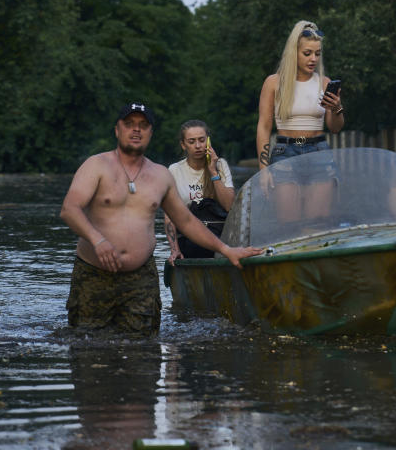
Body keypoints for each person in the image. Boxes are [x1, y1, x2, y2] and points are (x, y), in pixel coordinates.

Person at [60, 102, 262, 336]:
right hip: (94, 274)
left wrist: (226, 250)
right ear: (117, 130)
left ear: (150, 133)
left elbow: (186, 222)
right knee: (88, 349)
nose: (136, 130)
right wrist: (98, 241)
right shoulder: (96, 165)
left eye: (143, 125)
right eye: (129, 124)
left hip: (140, 280)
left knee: (144, 354)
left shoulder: (160, 175)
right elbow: (70, 209)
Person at [255, 20, 345, 221]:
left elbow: (335, 128)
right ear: (293, 52)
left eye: (317, 53)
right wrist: (263, 170)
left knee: (317, 224)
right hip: (285, 153)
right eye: (307, 53)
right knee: (289, 225)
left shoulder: (324, 82)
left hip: (319, 152)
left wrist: (337, 107)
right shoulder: (274, 83)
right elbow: (264, 127)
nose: (313, 59)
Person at [164, 119, 234, 263]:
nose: (198, 146)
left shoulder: (221, 165)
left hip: (218, 236)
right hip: (189, 239)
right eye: (191, 141)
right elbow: (169, 216)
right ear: (183, 145)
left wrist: (213, 171)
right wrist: (174, 250)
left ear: (208, 141)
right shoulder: (174, 170)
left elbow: (229, 206)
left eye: (202, 140)